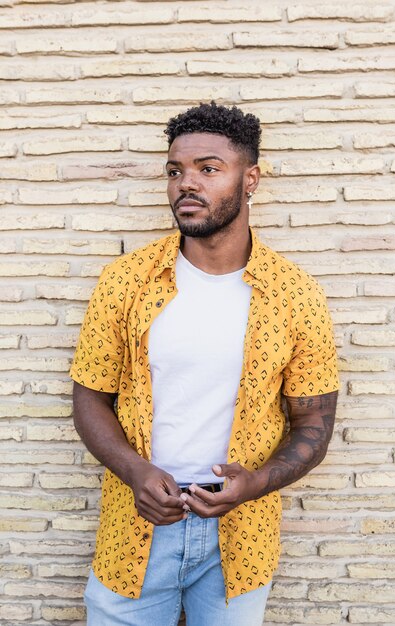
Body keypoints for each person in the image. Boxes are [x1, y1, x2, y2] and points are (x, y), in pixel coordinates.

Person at [70, 101, 339, 626]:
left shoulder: (294, 295)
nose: (185, 184)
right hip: (136, 526)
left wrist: (255, 484)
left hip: (240, 538)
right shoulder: (125, 281)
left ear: (251, 178)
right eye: (175, 171)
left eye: (208, 169)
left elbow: (314, 422)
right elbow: (90, 396)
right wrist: (135, 472)